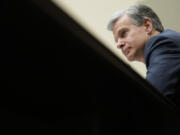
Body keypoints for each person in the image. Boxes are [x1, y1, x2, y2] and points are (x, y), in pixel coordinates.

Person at [107, 3, 180, 105]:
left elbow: (149, 102)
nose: (118, 44)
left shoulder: (163, 43)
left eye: (123, 33)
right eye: (116, 40)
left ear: (147, 26)